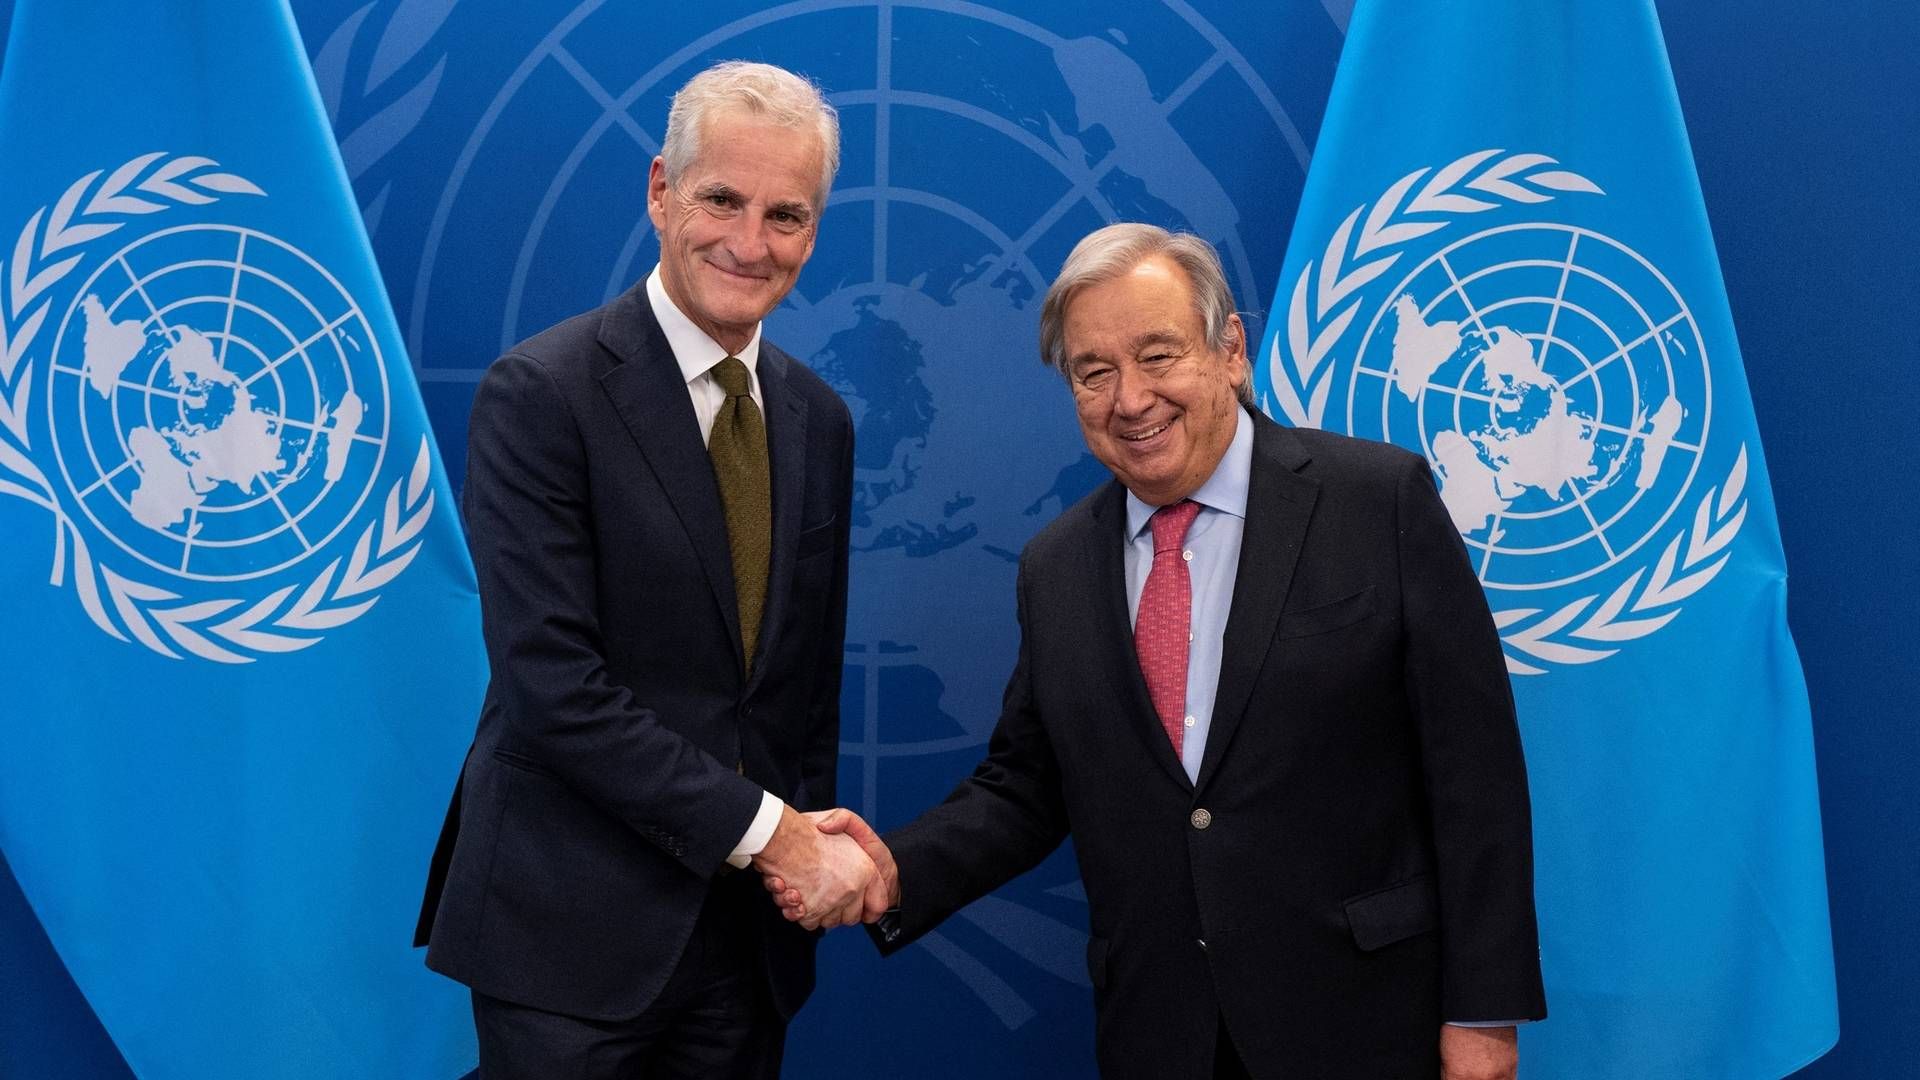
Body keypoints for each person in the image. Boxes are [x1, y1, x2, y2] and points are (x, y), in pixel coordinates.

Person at [772, 224, 1546, 1079]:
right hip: (1161, 1032)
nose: (1130, 399)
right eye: (1093, 372)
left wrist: (1483, 1014)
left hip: (1366, 1024)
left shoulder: (1378, 502)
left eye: (1158, 355)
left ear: (1230, 352)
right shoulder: (1055, 567)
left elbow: (1476, 778)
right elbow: (1027, 789)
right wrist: (894, 868)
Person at [414, 60, 875, 1078]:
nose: (750, 244)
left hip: (745, 949)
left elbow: (799, 694)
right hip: (567, 942)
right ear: (662, 190)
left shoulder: (820, 422)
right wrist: (775, 835)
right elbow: (553, 690)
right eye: (722, 199)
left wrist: (808, 852)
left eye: (787, 216)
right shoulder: (542, 394)